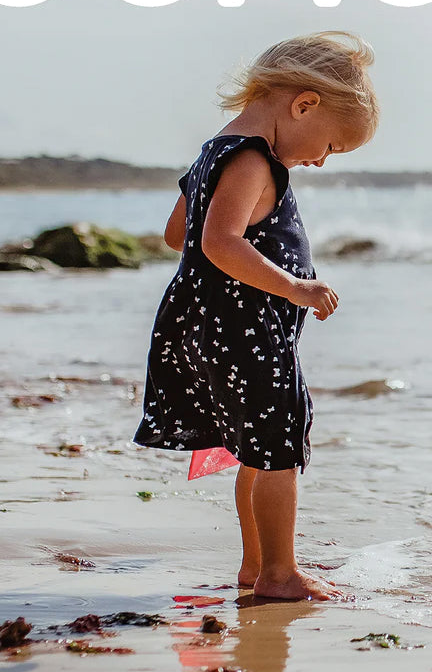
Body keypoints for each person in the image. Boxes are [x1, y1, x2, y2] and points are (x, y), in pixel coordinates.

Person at [133, 31, 379, 601]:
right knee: (278, 451)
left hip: (203, 320)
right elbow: (219, 242)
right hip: (242, 327)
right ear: (304, 103)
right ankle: (279, 574)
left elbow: (179, 235)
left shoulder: (212, 152)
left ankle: (257, 566)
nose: (319, 159)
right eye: (331, 146)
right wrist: (293, 285)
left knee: (256, 449)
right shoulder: (251, 157)